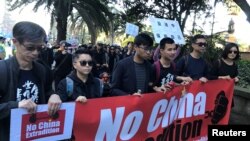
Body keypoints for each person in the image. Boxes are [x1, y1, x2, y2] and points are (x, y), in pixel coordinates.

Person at [0, 21, 62, 141]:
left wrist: (54, 95)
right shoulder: (3, 70)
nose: (35, 53)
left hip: (36, 133)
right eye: (30, 47)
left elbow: (48, 91)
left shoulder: (43, 70)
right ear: (15, 42)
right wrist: (16, 105)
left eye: (40, 48)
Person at [208, 43, 240, 107]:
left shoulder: (235, 65)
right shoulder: (218, 62)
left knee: (225, 114)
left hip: (227, 95)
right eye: (230, 51)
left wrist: (236, 80)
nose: (232, 53)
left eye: (235, 52)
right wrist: (221, 77)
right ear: (226, 51)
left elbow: (233, 79)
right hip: (215, 93)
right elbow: (209, 77)